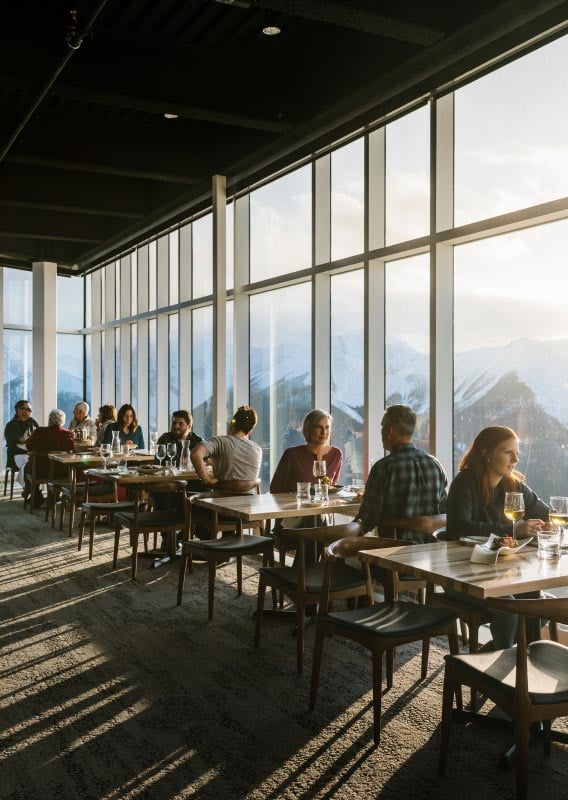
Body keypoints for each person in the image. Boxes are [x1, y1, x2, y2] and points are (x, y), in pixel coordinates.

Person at [446, 425, 551, 648]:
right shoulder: (464, 482)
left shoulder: (514, 484)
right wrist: (513, 530)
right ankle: (498, 670)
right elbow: (459, 528)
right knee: (508, 611)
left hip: (503, 570)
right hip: (463, 571)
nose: (515, 459)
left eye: (517, 454)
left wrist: (550, 523)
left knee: (542, 606)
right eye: (508, 452)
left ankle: (498, 654)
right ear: (487, 453)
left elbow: (547, 512)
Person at [355, 404, 447, 543]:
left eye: (382, 426)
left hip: (391, 557)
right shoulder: (435, 464)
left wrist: (336, 537)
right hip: (431, 556)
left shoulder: (383, 468)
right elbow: (443, 511)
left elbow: (366, 520)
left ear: (389, 430)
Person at [270, 409, 342, 493]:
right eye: (319, 427)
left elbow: (331, 487)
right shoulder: (291, 454)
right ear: (309, 429)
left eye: (327, 427)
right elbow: (275, 488)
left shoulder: (336, 454)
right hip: (295, 503)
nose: (324, 432)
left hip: (323, 505)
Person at [191, 405, 262, 487]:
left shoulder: (219, 442)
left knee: (191, 498)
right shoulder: (258, 449)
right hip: (250, 498)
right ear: (250, 431)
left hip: (221, 497)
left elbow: (195, 454)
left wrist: (207, 480)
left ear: (232, 423)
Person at [24, 409, 74, 504]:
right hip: (60, 470)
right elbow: (72, 450)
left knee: (27, 468)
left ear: (49, 420)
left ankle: (36, 495)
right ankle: (54, 496)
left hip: (39, 469)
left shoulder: (39, 431)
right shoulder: (68, 433)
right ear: (62, 421)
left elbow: (28, 446)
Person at [4, 400, 39, 470]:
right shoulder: (11, 425)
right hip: (16, 455)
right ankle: (29, 480)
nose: (25, 412)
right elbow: (12, 442)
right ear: (17, 410)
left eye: (28, 409)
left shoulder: (32, 422)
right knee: (31, 464)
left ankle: (36, 480)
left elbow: (39, 435)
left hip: (31, 453)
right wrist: (24, 440)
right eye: (22, 409)